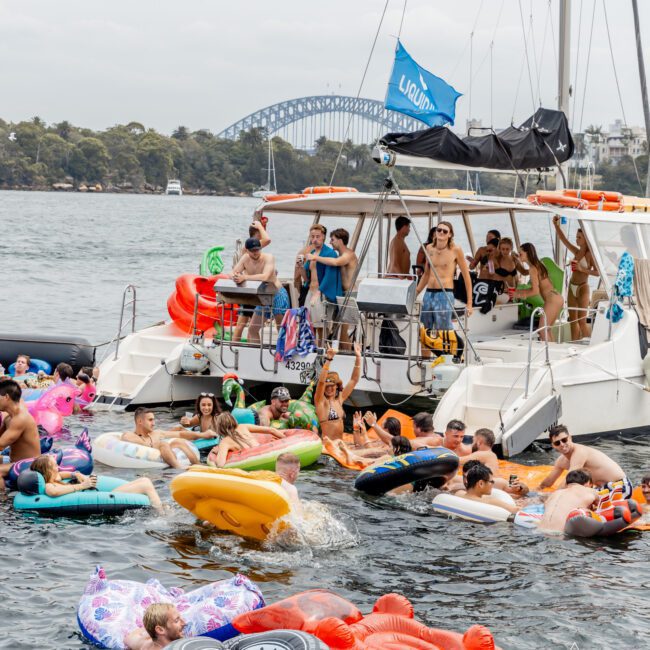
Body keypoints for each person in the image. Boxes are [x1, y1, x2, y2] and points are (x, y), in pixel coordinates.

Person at [416, 221, 473, 358]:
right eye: (439, 230)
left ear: (450, 234)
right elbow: (426, 274)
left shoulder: (455, 250)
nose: (441, 233)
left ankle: (455, 355)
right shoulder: (429, 248)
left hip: (444, 294)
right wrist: (415, 292)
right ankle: (426, 361)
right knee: (425, 330)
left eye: (445, 231)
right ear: (435, 232)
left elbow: (466, 277)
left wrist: (469, 303)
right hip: (429, 294)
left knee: (444, 331)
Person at [30, 454, 164, 512]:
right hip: (104, 498)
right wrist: (82, 485)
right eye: (54, 465)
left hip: (102, 494)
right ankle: (161, 513)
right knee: (145, 484)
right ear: (47, 470)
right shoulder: (49, 486)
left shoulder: (56, 478)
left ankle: (160, 508)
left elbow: (65, 474)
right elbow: (53, 492)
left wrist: (77, 474)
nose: (57, 467)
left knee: (144, 480)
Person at [539, 425, 631, 497]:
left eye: (564, 440)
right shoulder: (561, 461)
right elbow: (548, 481)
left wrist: (553, 497)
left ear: (570, 438)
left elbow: (569, 481)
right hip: (603, 488)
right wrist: (536, 492)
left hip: (620, 486)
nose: (562, 444)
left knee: (577, 497)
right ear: (553, 445)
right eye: (557, 443)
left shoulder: (579, 452)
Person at [307, 228, 358, 349]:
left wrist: (315, 258)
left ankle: (349, 356)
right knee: (337, 328)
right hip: (341, 294)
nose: (330, 242)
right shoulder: (340, 253)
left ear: (340, 241)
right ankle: (339, 354)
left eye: (333, 239)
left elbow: (335, 262)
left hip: (350, 294)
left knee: (343, 328)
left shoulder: (348, 254)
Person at [232, 237, 289, 344]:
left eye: (257, 249)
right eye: (252, 250)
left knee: (281, 329)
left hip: (277, 293)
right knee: (252, 329)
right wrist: (236, 276)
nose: (255, 253)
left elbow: (266, 276)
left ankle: (284, 354)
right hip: (262, 296)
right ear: (247, 250)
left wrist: (245, 277)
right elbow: (234, 272)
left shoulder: (269, 257)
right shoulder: (245, 258)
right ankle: (256, 354)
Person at [552, 215, 597, 340]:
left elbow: (598, 273)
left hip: (583, 287)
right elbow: (563, 239)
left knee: (582, 322)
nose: (576, 240)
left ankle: (589, 344)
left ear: (586, 239)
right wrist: (556, 225)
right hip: (572, 285)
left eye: (579, 238)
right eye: (576, 237)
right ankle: (574, 344)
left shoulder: (590, 255)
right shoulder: (577, 252)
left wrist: (582, 269)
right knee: (573, 321)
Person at [512, 242, 564, 342]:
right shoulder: (539, 264)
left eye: (520, 253)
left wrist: (519, 294)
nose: (519, 255)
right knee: (547, 330)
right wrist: (518, 291)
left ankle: (548, 356)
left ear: (528, 253)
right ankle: (552, 353)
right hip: (557, 297)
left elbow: (535, 291)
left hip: (551, 300)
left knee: (542, 330)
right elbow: (525, 273)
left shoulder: (533, 268)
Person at [121, 408, 201, 469]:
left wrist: (202, 435)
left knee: (179, 442)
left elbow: (179, 434)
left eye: (153, 420)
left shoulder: (155, 434)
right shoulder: (129, 435)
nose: (154, 423)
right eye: (150, 420)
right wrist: (154, 444)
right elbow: (128, 438)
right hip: (147, 465)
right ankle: (179, 468)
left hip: (167, 457)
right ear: (140, 421)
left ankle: (199, 466)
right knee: (163, 444)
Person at [0, 379, 40, 491]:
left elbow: (1, 445)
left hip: (30, 464)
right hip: (15, 460)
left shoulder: (20, 418)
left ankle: (2, 501)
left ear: (6, 397)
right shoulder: (9, 417)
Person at [314, 344, 361, 440]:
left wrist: (358, 357)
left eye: (331, 386)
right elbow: (321, 382)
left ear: (336, 386)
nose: (329, 389)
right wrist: (329, 359)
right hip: (327, 447)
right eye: (326, 387)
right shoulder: (321, 402)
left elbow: (354, 380)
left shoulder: (339, 399)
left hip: (340, 445)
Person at [207, 412, 285, 467]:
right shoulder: (243, 426)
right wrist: (285, 438)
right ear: (234, 420)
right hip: (264, 451)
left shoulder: (224, 442)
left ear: (220, 429)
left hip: (252, 462)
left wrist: (218, 452)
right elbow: (272, 430)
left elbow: (220, 464)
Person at [539, 469, 598, 534]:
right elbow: (604, 504)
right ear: (589, 483)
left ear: (566, 483)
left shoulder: (555, 493)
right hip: (560, 535)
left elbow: (545, 506)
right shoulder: (589, 491)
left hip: (539, 530)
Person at [275, 451, 303, 516]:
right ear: (292, 474)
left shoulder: (268, 481)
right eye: (298, 471)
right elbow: (298, 518)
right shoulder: (290, 488)